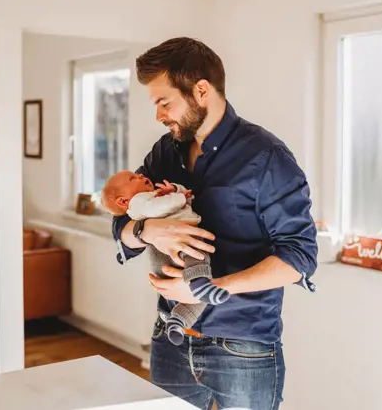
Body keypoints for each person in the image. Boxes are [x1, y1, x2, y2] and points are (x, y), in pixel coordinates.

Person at [110, 37, 318, 410]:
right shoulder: (164, 151)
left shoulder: (268, 157)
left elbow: (299, 257)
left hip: (243, 350)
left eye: (164, 102)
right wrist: (146, 230)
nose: (159, 115)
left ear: (201, 91)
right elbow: (123, 220)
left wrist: (210, 288)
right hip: (170, 340)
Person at [101, 171, 230, 345]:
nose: (140, 175)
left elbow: (185, 196)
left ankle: (178, 321)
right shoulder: (139, 203)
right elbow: (161, 207)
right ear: (123, 201)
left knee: (198, 299)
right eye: (133, 178)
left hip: (172, 259)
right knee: (197, 255)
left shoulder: (152, 195)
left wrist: (175, 190)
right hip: (171, 251)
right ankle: (199, 282)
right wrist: (178, 198)